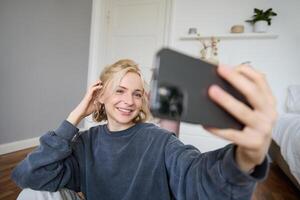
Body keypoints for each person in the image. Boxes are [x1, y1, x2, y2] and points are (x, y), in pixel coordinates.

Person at [11, 59, 277, 200]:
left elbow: (196, 177)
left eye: (137, 94)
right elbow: (28, 175)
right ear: (99, 96)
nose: (129, 101)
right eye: (120, 91)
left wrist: (245, 159)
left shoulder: (159, 140)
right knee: (33, 193)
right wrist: (74, 118)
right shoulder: (85, 142)